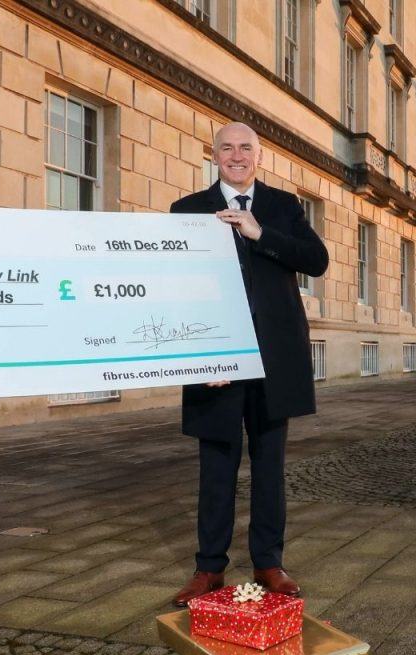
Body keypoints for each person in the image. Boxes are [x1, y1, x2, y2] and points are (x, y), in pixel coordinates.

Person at [169, 122, 330, 607]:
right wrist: (203, 355)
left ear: (259, 156)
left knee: (269, 467)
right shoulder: (186, 210)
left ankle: (268, 562)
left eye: (246, 148)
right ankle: (209, 568)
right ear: (214, 154)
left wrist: (260, 233)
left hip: (273, 359)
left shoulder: (283, 206)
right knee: (216, 467)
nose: (236, 155)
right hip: (214, 362)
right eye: (227, 148)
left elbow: (316, 260)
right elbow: (176, 289)